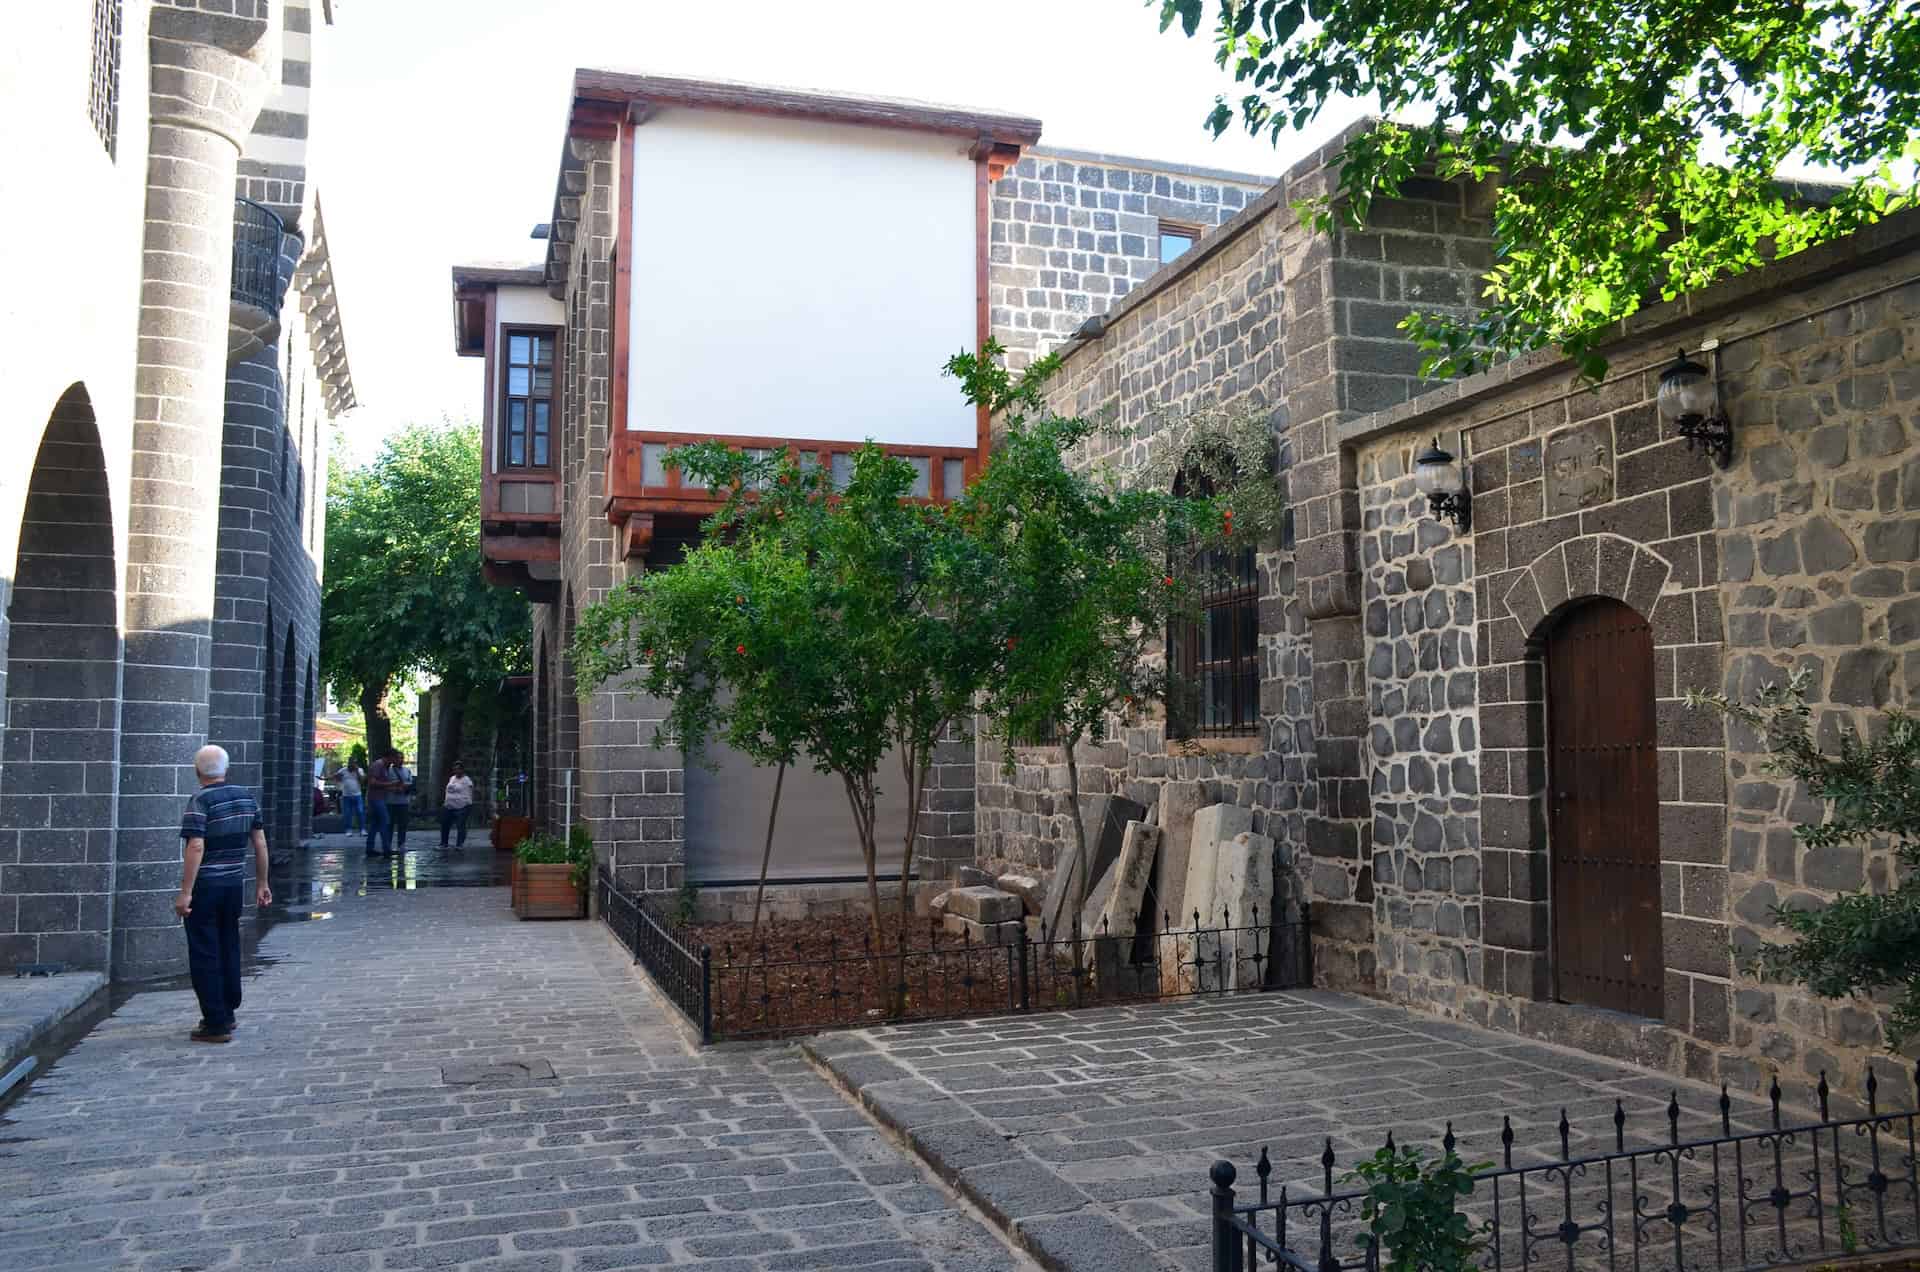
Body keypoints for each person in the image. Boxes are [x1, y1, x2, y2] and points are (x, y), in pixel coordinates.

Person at [175, 744, 270, 1044]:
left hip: (206, 886)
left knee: (204, 950)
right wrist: (262, 882)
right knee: (229, 943)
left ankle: (214, 1021)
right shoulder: (245, 797)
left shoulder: (200, 801)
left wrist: (185, 892)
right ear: (226, 770)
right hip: (232, 885)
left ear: (196, 770)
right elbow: (260, 843)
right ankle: (228, 1011)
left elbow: (196, 845)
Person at [365, 748, 398, 856]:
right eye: (394, 758)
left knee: (375, 823)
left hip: (379, 798)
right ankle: (386, 848)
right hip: (376, 799)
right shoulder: (378, 765)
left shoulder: (384, 767)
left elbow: (381, 784)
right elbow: (373, 782)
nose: (395, 760)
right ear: (389, 756)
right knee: (385, 821)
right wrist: (391, 784)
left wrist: (394, 789)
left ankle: (370, 848)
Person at [440, 762, 475, 849]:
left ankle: (459, 844)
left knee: (460, 825)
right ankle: (444, 844)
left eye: (458, 769)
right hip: (449, 806)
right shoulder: (452, 778)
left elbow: (469, 792)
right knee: (445, 824)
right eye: (455, 769)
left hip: (462, 807)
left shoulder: (467, 780)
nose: (456, 771)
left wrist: (467, 804)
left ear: (462, 770)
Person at [391, 752, 415, 849]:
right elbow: (385, 784)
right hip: (391, 802)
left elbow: (410, 783)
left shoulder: (407, 770)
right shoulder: (389, 770)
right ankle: (387, 844)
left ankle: (401, 844)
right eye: (398, 758)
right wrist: (395, 788)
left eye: (402, 758)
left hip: (403, 801)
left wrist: (405, 787)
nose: (400, 760)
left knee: (403, 824)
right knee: (390, 824)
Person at [338, 761, 364, 834]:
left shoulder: (360, 770)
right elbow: (335, 776)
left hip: (357, 794)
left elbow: (362, 780)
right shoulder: (343, 770)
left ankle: (362, 829)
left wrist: (357, 771)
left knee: (360, 812)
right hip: (346, 795)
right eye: (350, 765)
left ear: (355, 765)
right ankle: (349, 829)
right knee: (347, 813)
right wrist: (324, 779)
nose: (351, 767)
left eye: (353, 765)